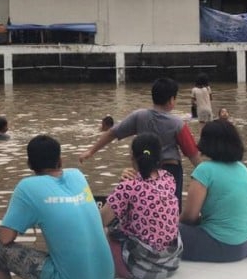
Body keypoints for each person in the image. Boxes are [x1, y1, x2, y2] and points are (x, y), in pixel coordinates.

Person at [0, 135, 114, 279]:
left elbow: (5, 238)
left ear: (29, 164)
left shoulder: (27, 187)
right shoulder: (77, 175)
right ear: (60, 160)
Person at [79, 78, 201, 206]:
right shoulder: (178, 124)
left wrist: (91, 151)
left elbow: (112, 133)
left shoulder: (139, 116)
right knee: (171, 208)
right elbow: (192, 154)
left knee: (142, 205)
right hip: (171, 170)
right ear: (171, 100)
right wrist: (207, 175)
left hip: (143, 168)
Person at [100, 133, 182, 279]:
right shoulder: (169, 178)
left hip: (140, 269)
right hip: (171, 263)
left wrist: (121, 184)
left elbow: (100, 220)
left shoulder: (128, 187)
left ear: (132, 158)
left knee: (102, 231)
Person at [179, 120, 247, 262]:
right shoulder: (242, 168)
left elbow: (189, 217)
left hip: (224, 246)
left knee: (163, 230)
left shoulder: (204, 170)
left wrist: (172, 222)